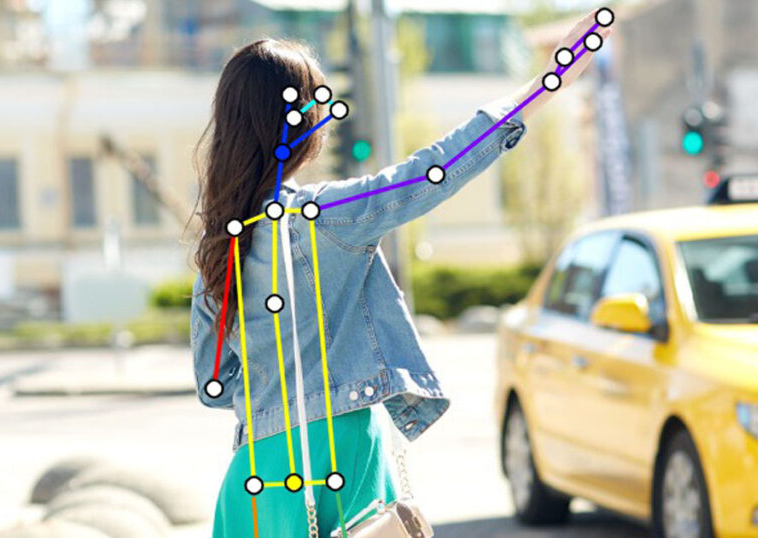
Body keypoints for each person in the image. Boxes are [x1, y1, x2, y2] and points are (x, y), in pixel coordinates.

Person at [188, 11, 611, 537]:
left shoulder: (221, 246)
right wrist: (548, 83)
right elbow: (438, 167)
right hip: (337, 452)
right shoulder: (331, 218)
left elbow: (214, 384)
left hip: (254, 476)